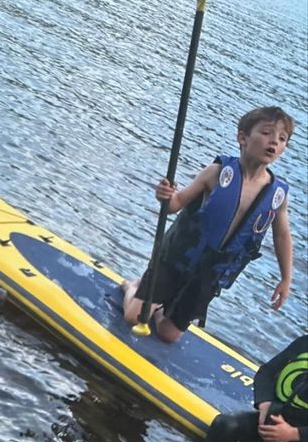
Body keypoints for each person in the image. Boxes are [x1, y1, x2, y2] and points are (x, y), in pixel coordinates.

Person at [122, 107, 294, 343]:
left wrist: (286, 279)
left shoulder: (277, 195)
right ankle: (133, 287)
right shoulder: (217, 172)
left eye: (282, 139)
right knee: (135, 317)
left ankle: (163, 309)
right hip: (178, 257)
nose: (274, 142)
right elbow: (176, 204)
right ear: (242, 138)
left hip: (210, 273)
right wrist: (165, 196)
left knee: (168, 334)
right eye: (266, 133)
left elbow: (282, 236)